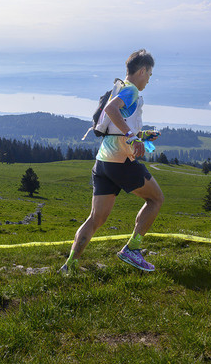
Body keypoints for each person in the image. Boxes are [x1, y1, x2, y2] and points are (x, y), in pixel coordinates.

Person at [61, 49, 164, 273]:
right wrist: (134, 136)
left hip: (103, 162)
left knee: (95, 218)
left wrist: (142, 135)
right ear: (143, 70)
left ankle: (70, 265)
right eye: (150, 74)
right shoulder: (131, 91)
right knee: (156, 199)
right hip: (121, 161)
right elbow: (111, 110)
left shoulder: (118, 88)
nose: (149, 79)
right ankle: (132, 250)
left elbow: (116, 123)